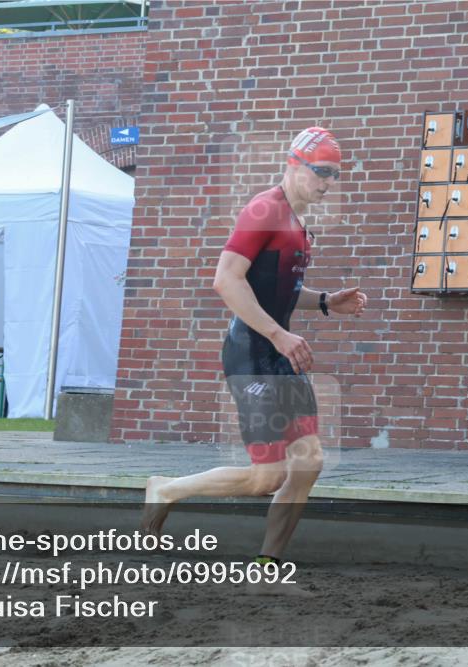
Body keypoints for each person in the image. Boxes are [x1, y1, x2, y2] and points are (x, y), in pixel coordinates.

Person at [141, 127, 367, 565]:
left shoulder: (299, 224)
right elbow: (226, 280)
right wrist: (278, 334)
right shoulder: (264, 209)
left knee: (309, 463)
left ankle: (266, 567)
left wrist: (323, 301)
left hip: (280, 356)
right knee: (266, 477)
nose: (328, 183)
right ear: (294, 165)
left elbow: (276, 288)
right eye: (321, 172)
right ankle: (165, 489)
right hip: (252, 355)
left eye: (335, 175)